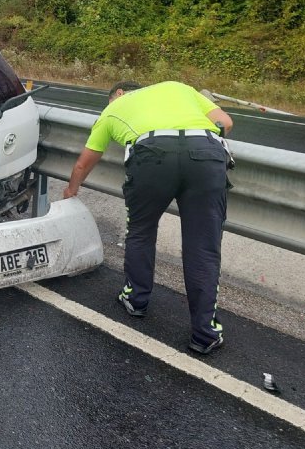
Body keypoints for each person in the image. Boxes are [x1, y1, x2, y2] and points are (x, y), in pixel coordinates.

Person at [63, 81, 234, 354]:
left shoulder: (112, 110)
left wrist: (71, 190)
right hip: (206, 154)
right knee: (203, 248)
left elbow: (83, 163)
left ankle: (136, 300)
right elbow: (226, 122)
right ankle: (206, 332)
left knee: (141, 232)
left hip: (152, 155)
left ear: (118, 94)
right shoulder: (177, 87)